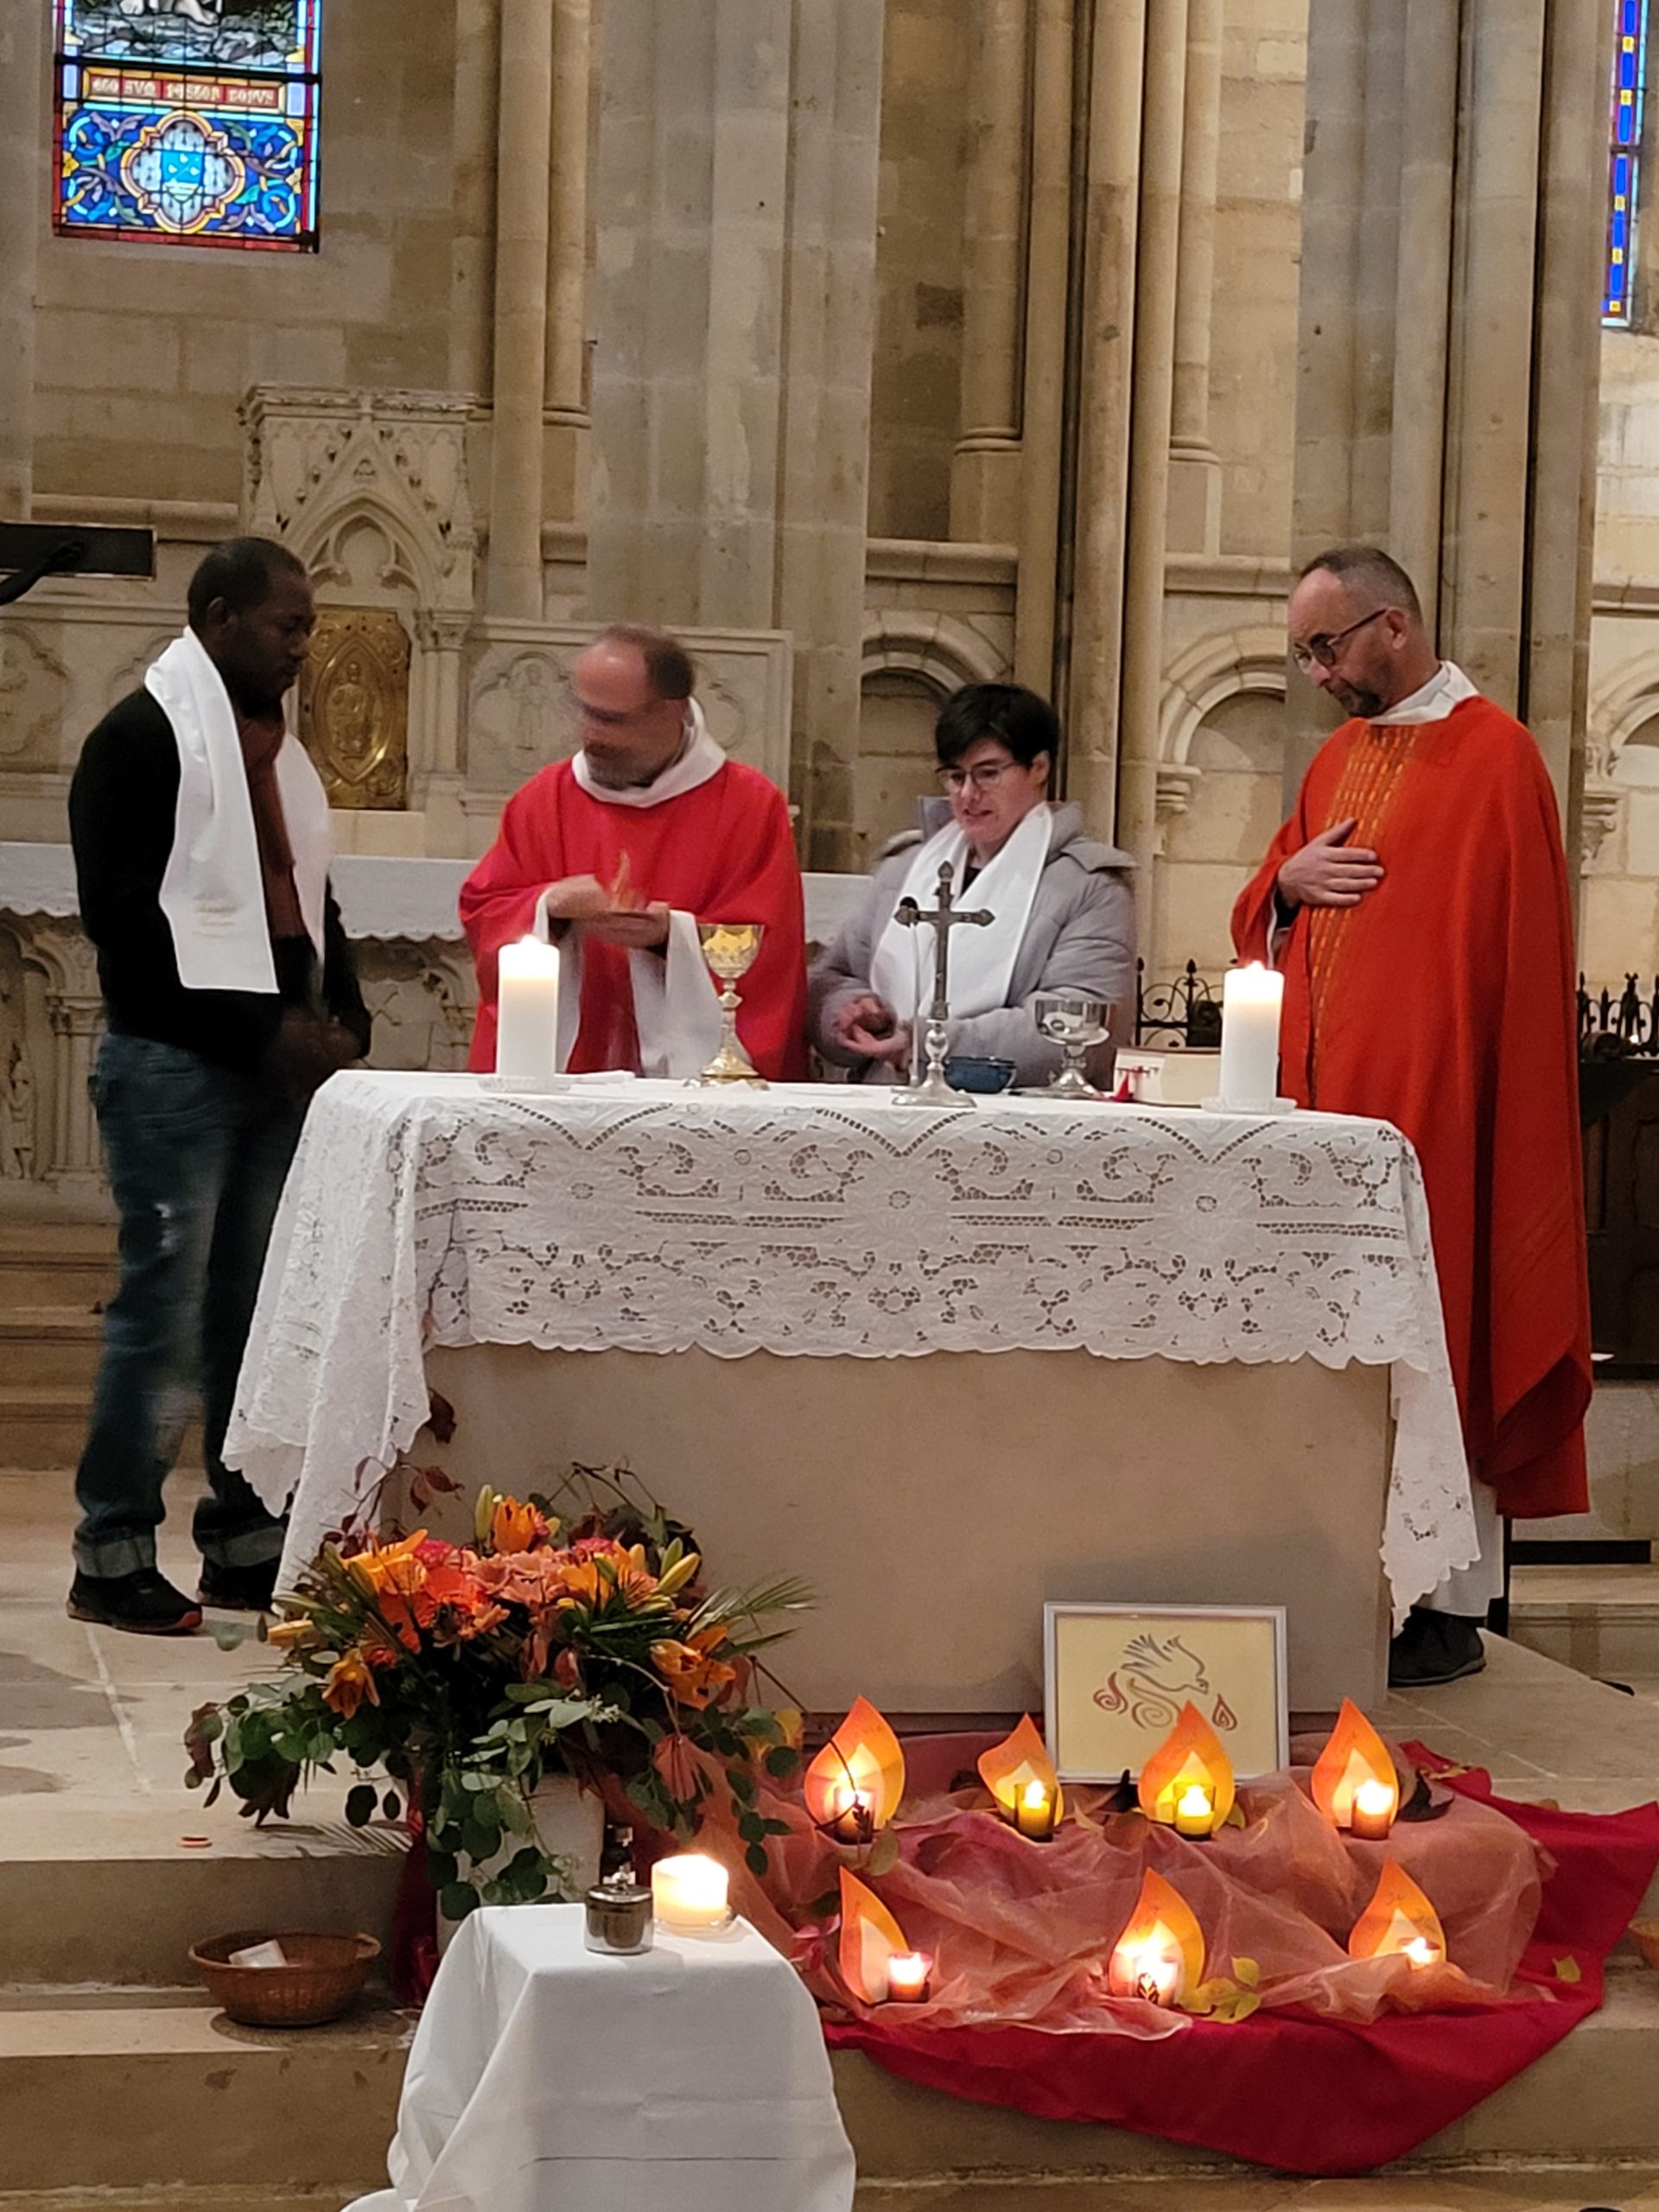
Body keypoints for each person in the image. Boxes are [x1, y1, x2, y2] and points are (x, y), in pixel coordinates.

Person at [1232, 544, 1592, 1687]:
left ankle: (1442, 1603)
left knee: (1440, 1340)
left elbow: (1515, 965)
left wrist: (1472, 1104)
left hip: (1442, 1127)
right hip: (1325, 1125)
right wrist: (1282, 890)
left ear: (1394, 624)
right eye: (1302, 654)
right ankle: (1336, 1581)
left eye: (1326, 647)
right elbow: (1270, 900)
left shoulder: (1498, 758)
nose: (1316, 674)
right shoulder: (1334, 760)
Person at [67, 537, 371, 1637]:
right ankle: (112, 1549)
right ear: (219, 616)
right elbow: (124, 928)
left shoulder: (276, 750)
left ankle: (243, 1538)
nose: (303, 646)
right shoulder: (139, 739)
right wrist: (260, 1032)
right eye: (287, 625)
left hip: (266, 1068)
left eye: (309, 626)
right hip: (175, 1066)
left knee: (255, 1310)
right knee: (165, 1309)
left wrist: (344, 1011)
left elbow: (308, 898)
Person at [461, 625, 807, 1080]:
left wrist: (669, 938)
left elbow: (771, 957)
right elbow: (485, 910)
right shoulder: (542, 800)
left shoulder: (750, 807)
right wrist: (549, 907)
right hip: (567, 1077)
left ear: (672, 711)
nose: (590, 734)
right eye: (583, 711)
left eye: (610, 720)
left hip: (689, 1090)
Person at [810, 683, 1135, 1086]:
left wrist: (928, 1045)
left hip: (1007, 1112)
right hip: (886, 1101)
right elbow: (834, 976)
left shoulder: (1090, 887)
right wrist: (852, 1013)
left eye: (988, 774)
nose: (967, 794)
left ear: (1039, 768)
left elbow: (1077, 1019)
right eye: (955, 776)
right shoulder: (906, 868)